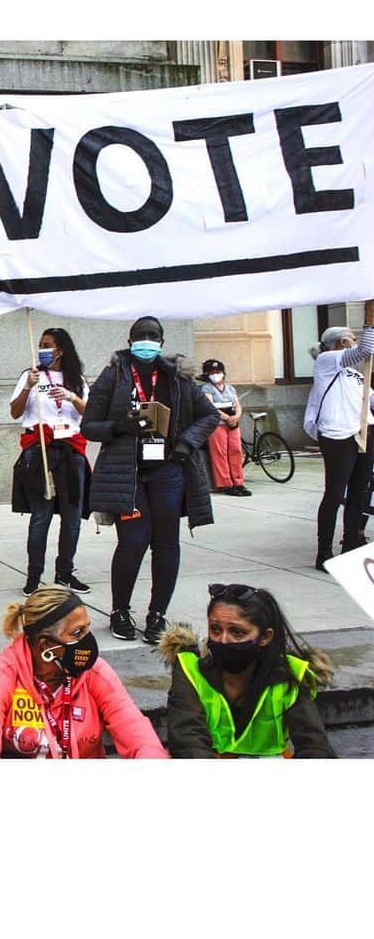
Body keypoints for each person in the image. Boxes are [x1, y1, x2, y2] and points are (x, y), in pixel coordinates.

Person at [82, 315, 220, 646]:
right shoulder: (114, 374)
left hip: (168, 470)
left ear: (162, 341)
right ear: (130, 341)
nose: (147, 340)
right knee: (133, 540)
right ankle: (119, 611)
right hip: (128, 473)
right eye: (140, 335)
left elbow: (210, 415)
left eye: (152, 335)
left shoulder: (178, 377)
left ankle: (157, 614)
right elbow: (89, 425)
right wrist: (118, 427)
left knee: (166, 543)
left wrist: (186, 443)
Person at [0, 586, 167, 758]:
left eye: (87, 629)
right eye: (78, 632)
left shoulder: (95, 672)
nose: (88, 640)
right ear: (45, 646)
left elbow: (137, 731)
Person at [160, 583, 335, 758]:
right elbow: (187, 739)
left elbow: (315, 745)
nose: (223, 640)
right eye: (215, 629)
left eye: (237, 632)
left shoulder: (293, 673)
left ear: (265, 637)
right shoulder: (189, 667)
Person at [9, 327, 91, 595]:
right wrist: (29, 388)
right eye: (41, 344)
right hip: (40, 449)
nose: (43, 349)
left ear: (61, 350)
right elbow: (15, 412)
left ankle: (65, 573)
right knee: (41, 515)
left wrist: (72, 396)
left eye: (48, 345)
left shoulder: (75, 378)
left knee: (72, 517)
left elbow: (89, 414)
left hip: (70, 448)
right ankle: (34, 576)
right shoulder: (30, 375)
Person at [303, 317, 374, 572]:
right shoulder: (326, 361)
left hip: (362, 432)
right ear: (342, 342)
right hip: (337, 436)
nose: (355, 342)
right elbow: (367, 349)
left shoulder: (355, 373)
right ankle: (324, 551)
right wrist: (370, 323)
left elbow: (369, 399)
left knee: (359, 492)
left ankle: (351, 544)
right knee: (334, 493)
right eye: (352, 339)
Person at [197, 359, 250, 497]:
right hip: (217, 424)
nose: (216, 374)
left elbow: (237, 404)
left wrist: (236, 416)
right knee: (219, 453)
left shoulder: (230, 388)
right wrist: (226, 418)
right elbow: (210, 406)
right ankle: (226, 484)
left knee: (236, 451)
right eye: (212, 372)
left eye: (218, 372)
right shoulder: (206, 388)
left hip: (233, 424)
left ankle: (238, 482)